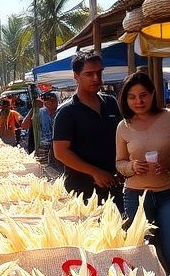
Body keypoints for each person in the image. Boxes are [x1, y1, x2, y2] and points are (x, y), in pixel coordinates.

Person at [116, 71, 170, 276]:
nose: (138, 101)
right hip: (136, 196)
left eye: (143, 95)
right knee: (141, 251)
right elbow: (119, 162)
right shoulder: (123, 126)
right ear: (125, 99)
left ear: (153, 94)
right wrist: (132, 166)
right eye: (132, 97)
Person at [52, 52, 122, 202]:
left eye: (99, 73)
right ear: (76, 76)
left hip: (115, 185)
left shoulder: (111, 103)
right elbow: (60, 152)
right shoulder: (66, 111)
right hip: (82, 190)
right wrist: (94, 172)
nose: (96, 78)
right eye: (89, 74)